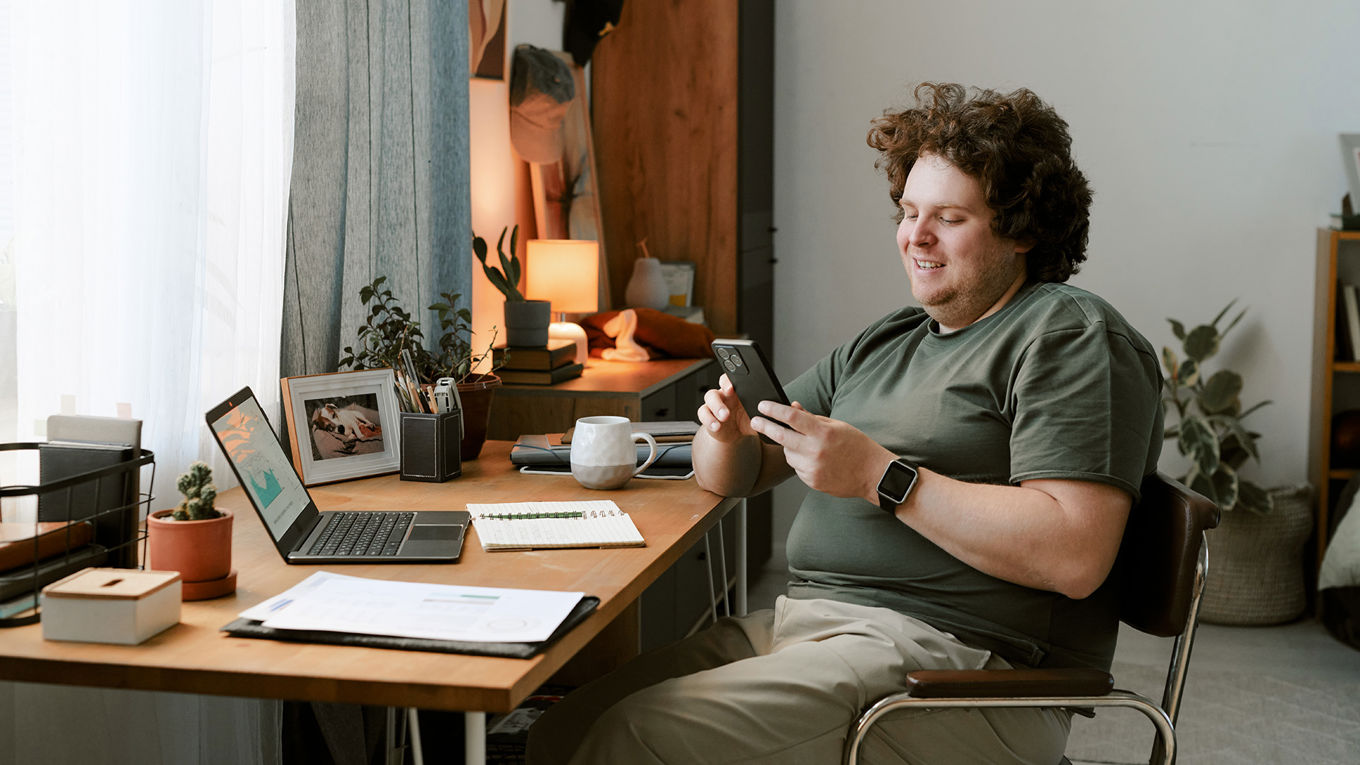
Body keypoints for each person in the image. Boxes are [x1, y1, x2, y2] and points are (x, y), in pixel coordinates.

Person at [525, 82, 1163, 765]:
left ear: (1024, 230)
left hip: (958, 666)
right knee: (563, 728)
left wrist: (882, 478)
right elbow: (743, 473)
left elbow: (1074, 553)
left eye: (948, 217)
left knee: (634, 738)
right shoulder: (890, 338)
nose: (914, 235)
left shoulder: (1069, 334)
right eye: (909, 211)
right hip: (809, 626)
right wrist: (724, 434)